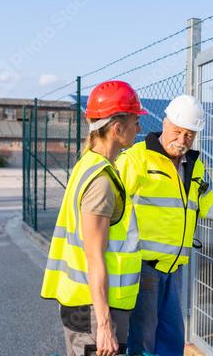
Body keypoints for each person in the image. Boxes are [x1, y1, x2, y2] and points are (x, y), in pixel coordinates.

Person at [115, 94, 213, 355]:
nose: (182, 140)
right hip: (142, 267)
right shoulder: (136, 160)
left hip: (174, 268)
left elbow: (207, 203)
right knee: (143, 339)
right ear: (165, 123)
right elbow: (111, 210)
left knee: (171, 337)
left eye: (189, 135)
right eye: (177, 131)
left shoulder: (194, 165)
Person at [41, 80, 146, 356]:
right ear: (117, 128)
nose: (140, 128)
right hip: (95, 309)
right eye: (135, 120)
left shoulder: (87, 165)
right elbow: (94, 257)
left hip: (86, 304)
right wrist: (105, 326)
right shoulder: (101, 181)